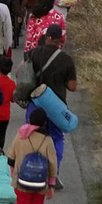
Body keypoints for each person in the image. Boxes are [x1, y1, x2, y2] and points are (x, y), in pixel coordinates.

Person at [26, 25, 79, 177]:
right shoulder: (66, 59)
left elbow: (22, 71)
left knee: (31, 136)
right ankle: (53, 174)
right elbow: (72, 86)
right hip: (57, 107)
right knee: (56, 138)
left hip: (35, 103)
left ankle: (32, 169)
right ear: (60, 40)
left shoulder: (34, 53)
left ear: (47, 37)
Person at [7, 106, 58, 204]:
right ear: (43, 123)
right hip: (40, 183)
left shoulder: (20, 136)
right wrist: (52, 185)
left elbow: (11, 158)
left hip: (22, 181)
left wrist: (14, 176)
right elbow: (52, 164)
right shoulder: (47, 140)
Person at [0, 54, 17, 149]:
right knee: (1, 135)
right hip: (5, 115)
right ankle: (0, 151)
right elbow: (13, 99)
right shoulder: (11, 83)